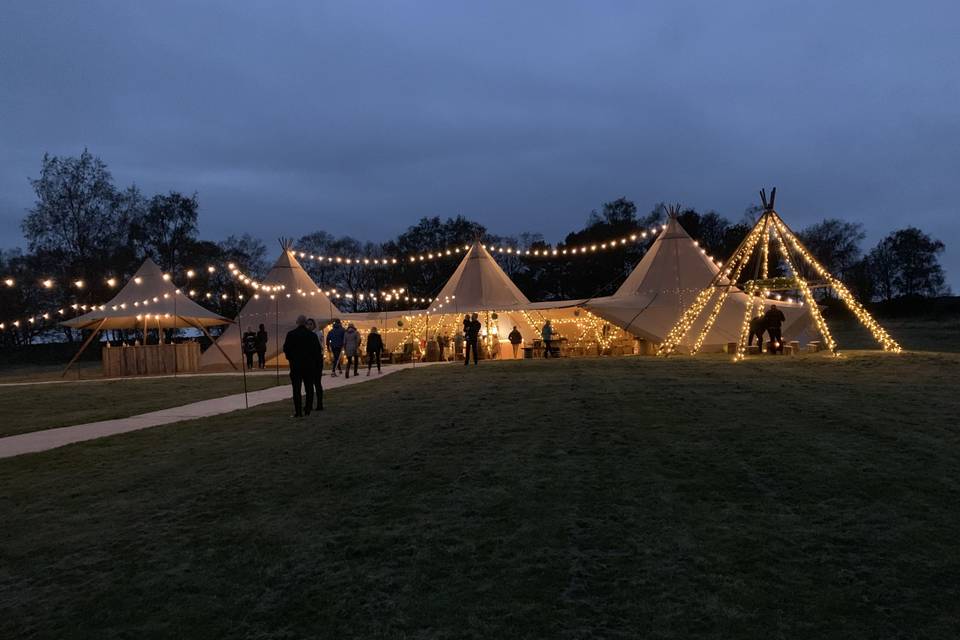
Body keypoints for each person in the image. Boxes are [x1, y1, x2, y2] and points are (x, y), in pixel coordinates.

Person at [282, 315, 321, 418]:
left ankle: (298, 412)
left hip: (296, 366)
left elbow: (286, 349)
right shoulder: (312, 336)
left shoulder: (291, 334)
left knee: (296, 389)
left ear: (297, 322)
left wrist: (291, 359)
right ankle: (308, 409)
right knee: (309, 388)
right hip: (309, 366)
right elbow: (317, 351)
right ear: (305, 323)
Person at [306, 318, 324, 411]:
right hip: (309, 360)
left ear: (314, 325)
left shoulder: (318, 334)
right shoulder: (307, 335)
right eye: (307, 324)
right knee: (309, 383)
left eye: (310, 324)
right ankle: (310, 404)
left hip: (317, 360)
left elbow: (321, 347)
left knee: (317, 382)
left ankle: (319, 404)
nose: (309, 326)